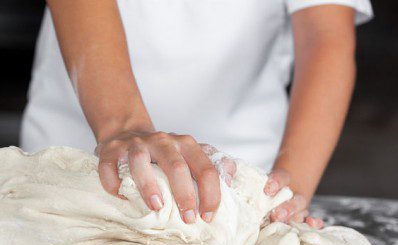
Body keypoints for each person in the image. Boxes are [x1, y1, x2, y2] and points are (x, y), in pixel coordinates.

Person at [21, 0, 372, 226]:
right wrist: (123, 126)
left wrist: (287, 190)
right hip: (73, 165)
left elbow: (324, 33)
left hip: (241, 182)